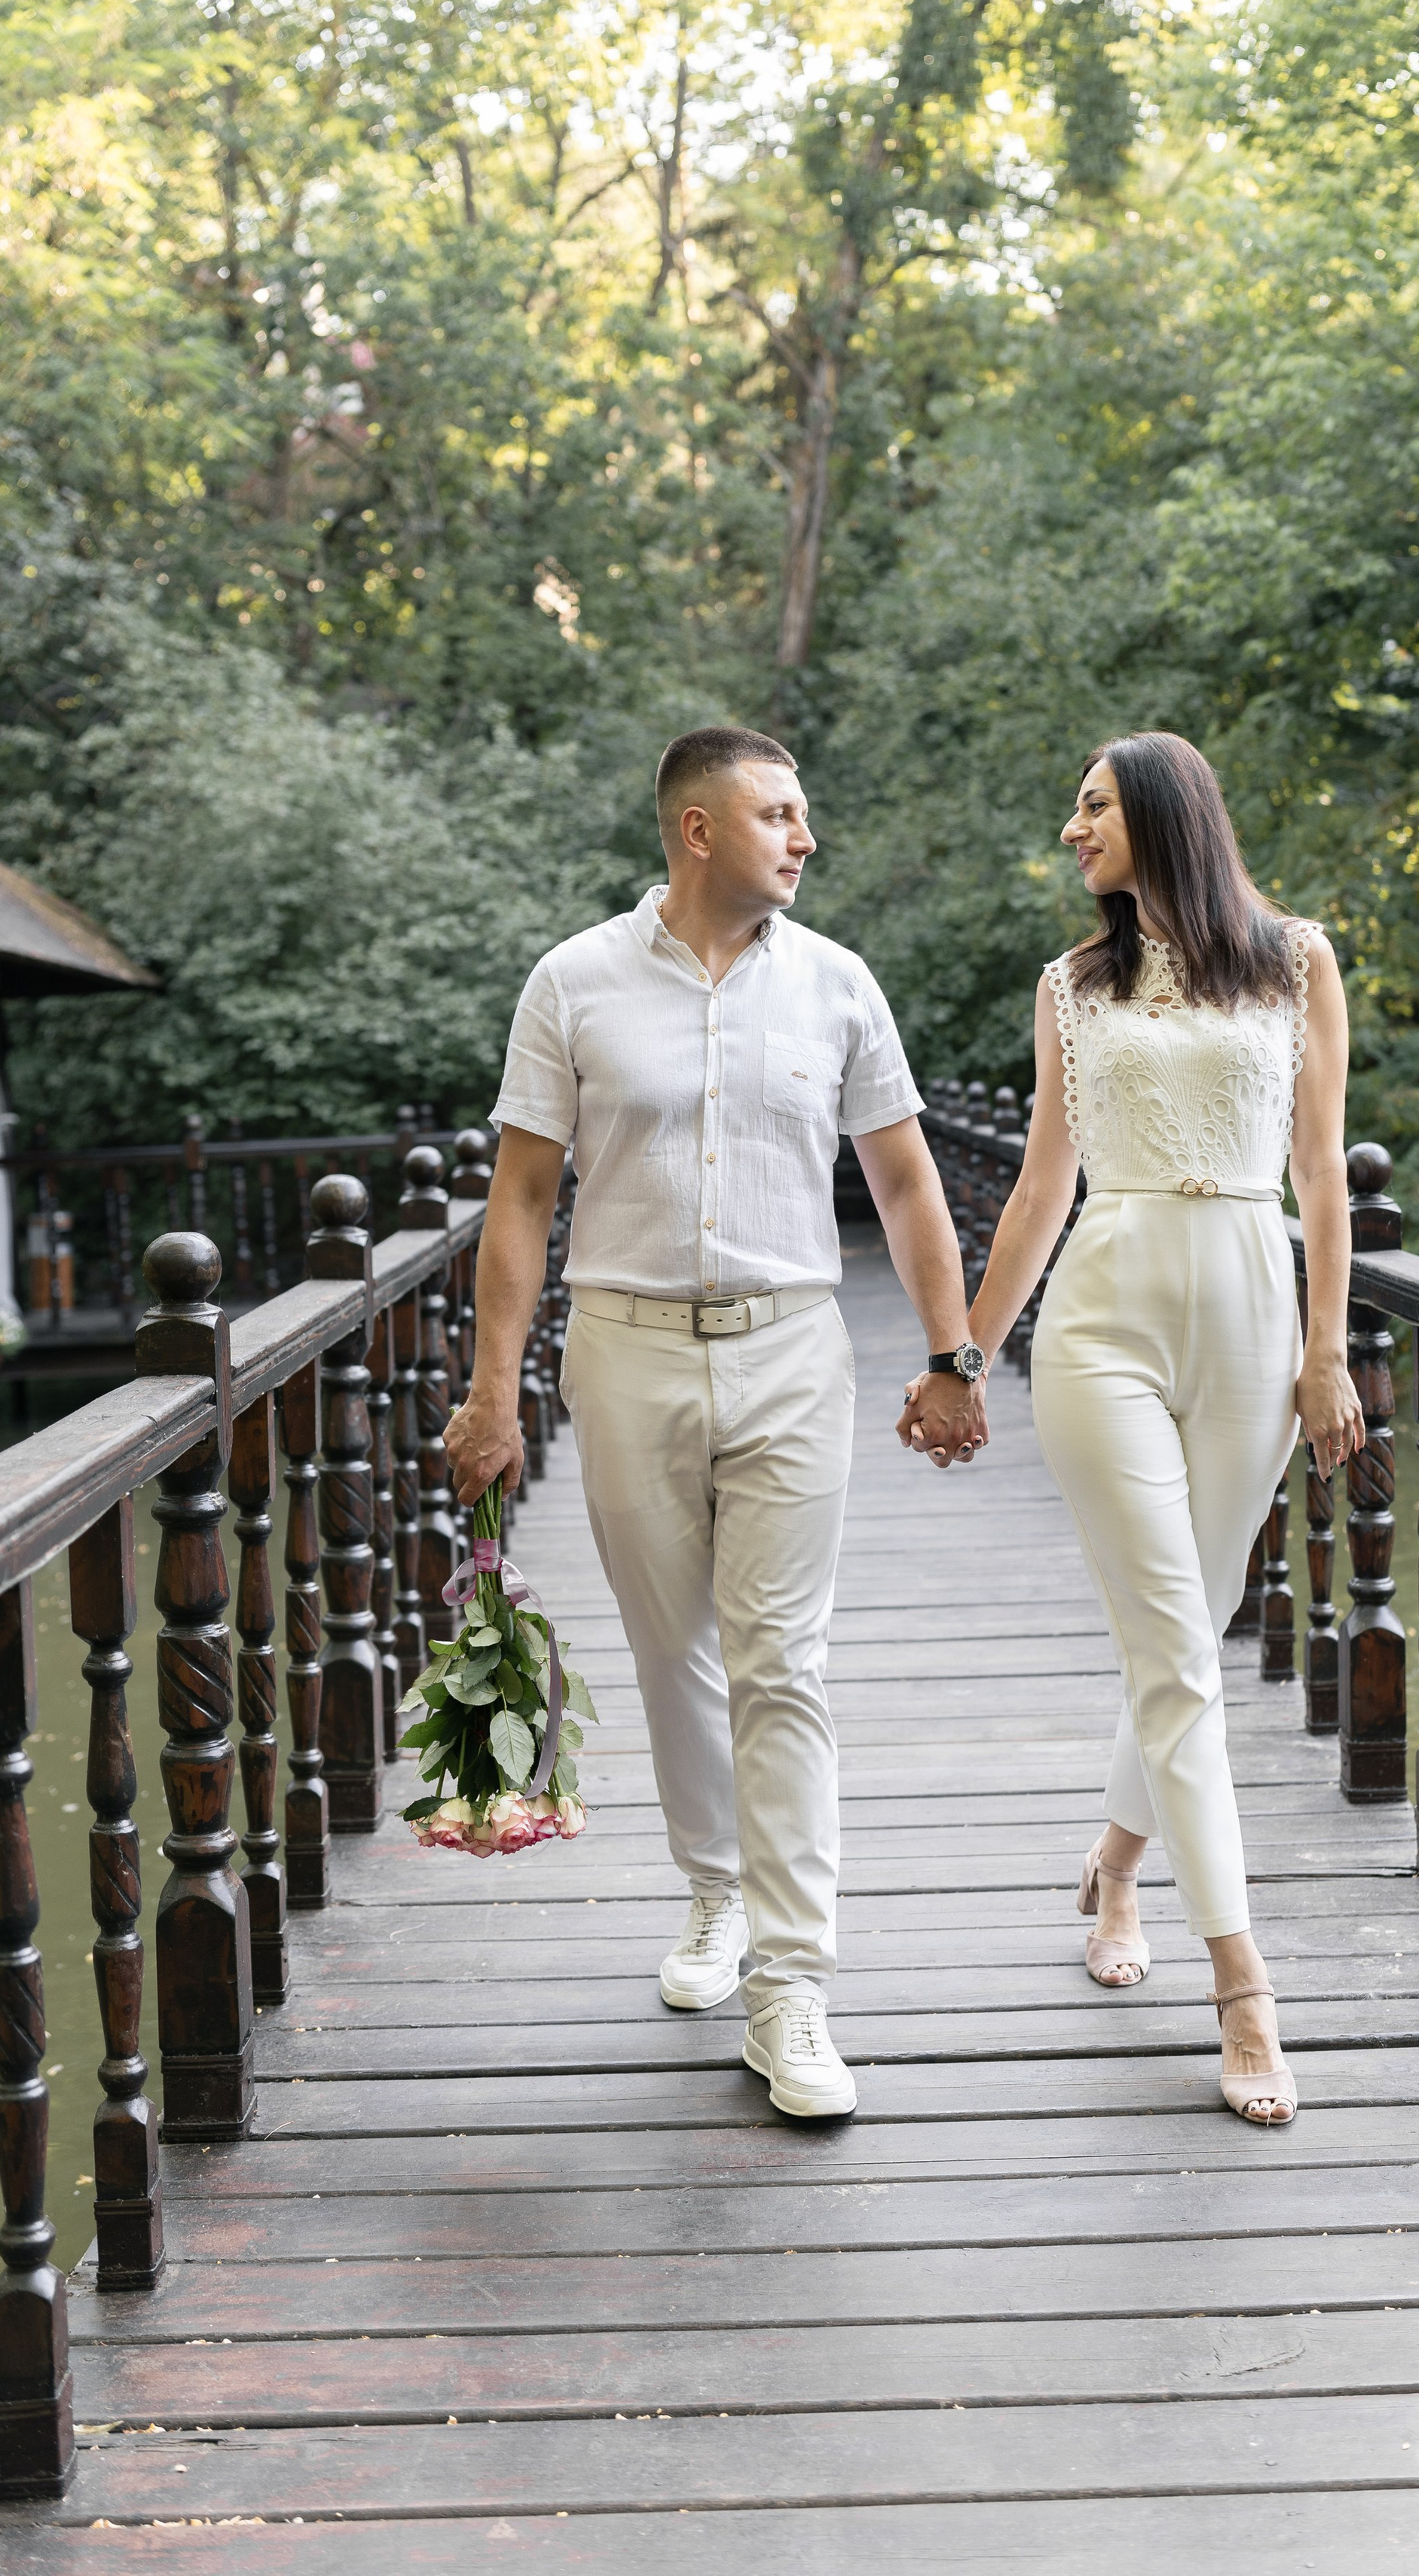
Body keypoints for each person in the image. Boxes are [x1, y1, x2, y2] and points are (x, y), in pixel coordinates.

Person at [443, 725, 988, 2122]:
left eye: (805, 814)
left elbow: (912, 1184)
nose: (806, 837)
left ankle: (794, 1986)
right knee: (673, 1648)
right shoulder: (571, 983)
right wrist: (493, 1387)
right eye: (779, 814)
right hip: (624, 1352)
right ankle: (715, 1893)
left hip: (796, 1349)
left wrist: (955, 1354)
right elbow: (519, 1202)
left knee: (783, 1660)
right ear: (698, 831)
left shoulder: (840, 986)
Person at [933, 732, 1362, 2126]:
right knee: (1173, 1643)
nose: (1073, 830)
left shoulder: (1296, 961)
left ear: (1165, 816)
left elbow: (1322, 1176)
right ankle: (1244, 1988)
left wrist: (1327, 1356)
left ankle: (1118, 1865)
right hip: (1104, 1312)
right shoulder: (1071, 984)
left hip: (1250, 1303)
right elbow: (1041, 1183)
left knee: (1196, 1621)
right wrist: (964, 1357)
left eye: (1094, 808)